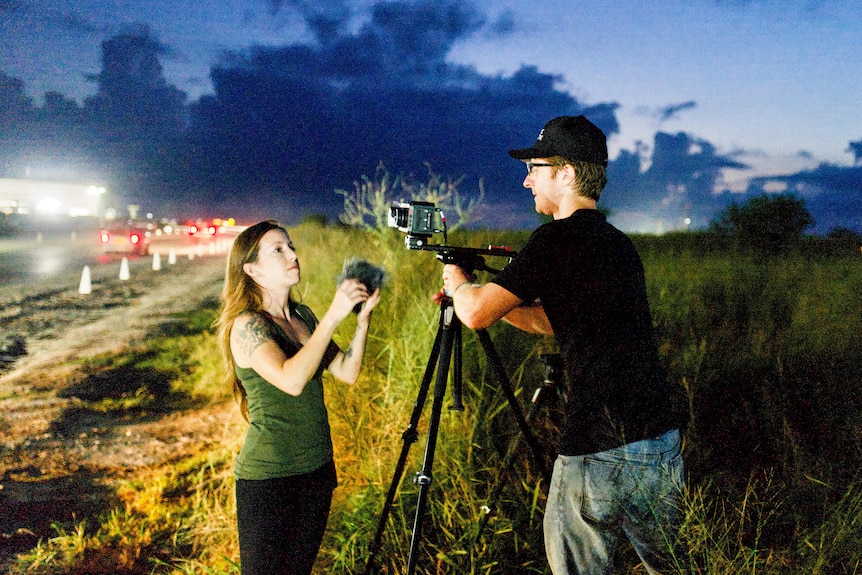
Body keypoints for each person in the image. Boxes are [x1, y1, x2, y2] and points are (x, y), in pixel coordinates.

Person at [440, 116, 683, 575]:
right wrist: (501, 304)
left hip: (598, 443)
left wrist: (459, 285)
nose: (527, 179)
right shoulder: (617, 244)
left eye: (535, 167)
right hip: (657, 439)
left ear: (567, 173)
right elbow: (554, 321)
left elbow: (472, 314)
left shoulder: (554, 239)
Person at [216, 220, 380, 575]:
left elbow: (346, 372)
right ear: (252, 269)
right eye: (278, 250)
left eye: (291, 247)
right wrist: (335, 316)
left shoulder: (303, 316)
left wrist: (362, 322)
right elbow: (291, 380)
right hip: (270, 480)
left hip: (317, 470)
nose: (293, 255)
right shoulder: (247, 325)